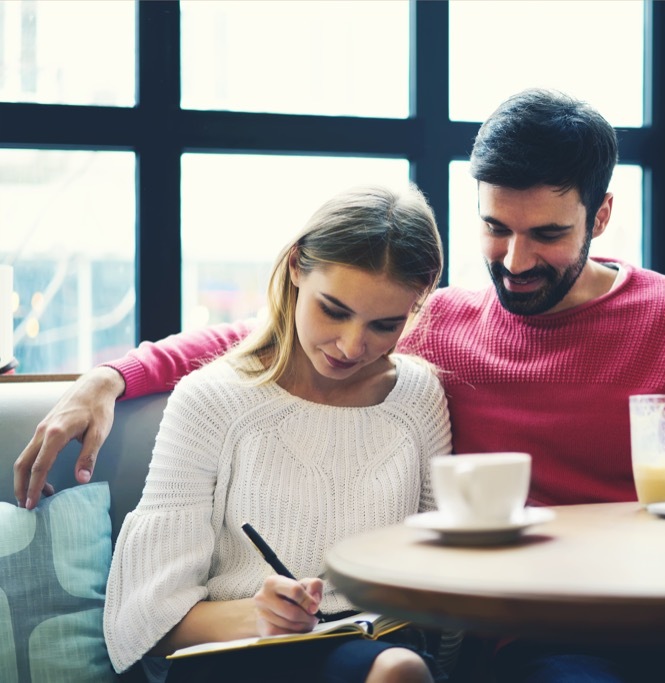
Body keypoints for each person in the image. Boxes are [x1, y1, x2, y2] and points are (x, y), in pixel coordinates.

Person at [15, 89, 665, 681]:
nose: (515, 262)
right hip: (539, 636)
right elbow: (272, 344)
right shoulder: (433, 322)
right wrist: (111, 374)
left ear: (602, 215)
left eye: (547, 235)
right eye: (495, 229)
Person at [101, 184, 453, 683]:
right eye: (333, 310)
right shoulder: (211, 401)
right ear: (294, 267)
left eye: (385, 324)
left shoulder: (418, 396)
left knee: (399, 668)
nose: (352, 345)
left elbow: (442, 569)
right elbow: (145, 621)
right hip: (234, 653)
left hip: (371, 650)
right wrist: (257, 615)